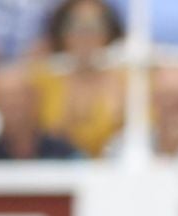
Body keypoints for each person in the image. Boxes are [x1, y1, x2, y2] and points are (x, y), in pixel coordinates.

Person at [28, 0, 125, 156]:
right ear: (62, 34)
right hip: (57, 173)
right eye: (75, 27)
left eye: (93, 28)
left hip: (110, 174)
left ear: (109, 33)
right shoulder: (42, 80)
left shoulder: (125, 81)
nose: (85, 37)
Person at [0, 62, 81, 159]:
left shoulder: (66, 155)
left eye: (18, 96)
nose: (12, 104)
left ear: (34, 98)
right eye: (5, 98)